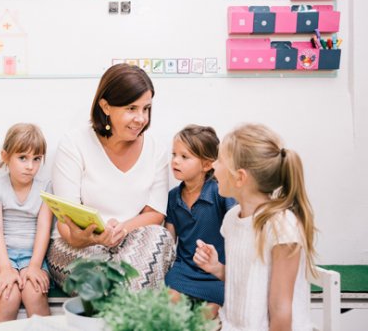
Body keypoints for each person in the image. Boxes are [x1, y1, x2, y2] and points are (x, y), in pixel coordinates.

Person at [47, 63, 175, 290]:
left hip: (132, 238)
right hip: (78, 245)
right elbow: (66, 226)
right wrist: (95, 238)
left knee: (160, 237)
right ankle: (125, 309)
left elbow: (154, 214)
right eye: (131, 108)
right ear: (105, 106)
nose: (141, 118)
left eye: (146, 109)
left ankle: (122, 305)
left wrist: (120, 230)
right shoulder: (74, 144)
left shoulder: (156, 149)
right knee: (102, 279)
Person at [194, 123, 317, 331]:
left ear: (240, 177)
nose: (213, 165)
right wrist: (218, 268)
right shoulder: (232, 218)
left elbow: (281, 308)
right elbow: (250, 280)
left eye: (220, 160)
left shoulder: (282, 226)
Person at [0, 123, 53, 323]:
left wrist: (35, 266)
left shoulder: (45, 187)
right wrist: (5, 268)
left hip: (34, 255)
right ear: (5, 156)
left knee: (35, 293)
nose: (30, 166)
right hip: (0, 256)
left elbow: (44, 228)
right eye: (23, 158)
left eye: (36, 159)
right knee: (8, 296)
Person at [164, 125, 236, 317]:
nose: (175, 161)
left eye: (184, 157)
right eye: (174, 154)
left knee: (207, 314)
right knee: (169, 302)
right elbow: (169, 238)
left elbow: (238, 227)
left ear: (206, 165)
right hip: (183, 270)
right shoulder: (173, 197)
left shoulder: (220, 192)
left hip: (215, 273)